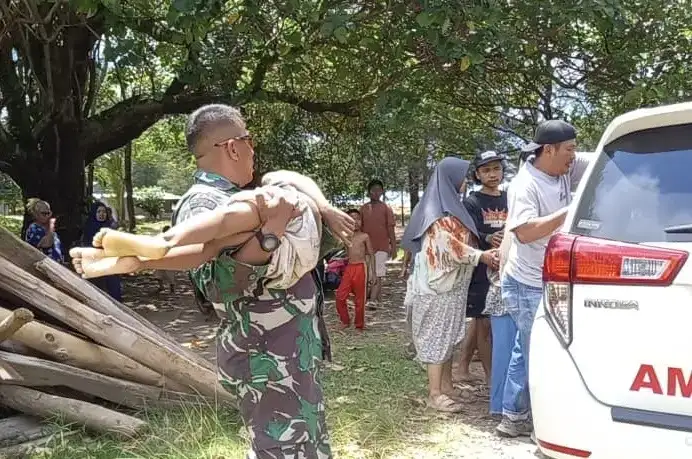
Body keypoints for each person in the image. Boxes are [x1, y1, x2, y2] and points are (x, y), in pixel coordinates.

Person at [71, 104, 352, 459]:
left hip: (287, 349)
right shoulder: (204, 202)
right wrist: (270, 234)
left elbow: (287, 180)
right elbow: (219, 285)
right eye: (249, 140)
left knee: (302, 445)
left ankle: (142, 256)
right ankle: (149, 250)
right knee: (278, 449)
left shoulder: (244, 193)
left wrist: (323, 209)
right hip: (267, 354)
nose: (253, 149)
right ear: (233, 147)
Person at [497, 120, 591, 437]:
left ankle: (514, 415)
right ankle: (537, 421)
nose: (574, 156)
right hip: (526, 284)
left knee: (527, 348)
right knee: (538, 351)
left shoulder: (563, 167)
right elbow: (524, 232)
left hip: (548, 278)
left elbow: (600, 161)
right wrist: (570, 210)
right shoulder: (525, 185)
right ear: (548, 150)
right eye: (570, 149)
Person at [401, 157, 498, 413]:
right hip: (437, 290)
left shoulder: (450, 208)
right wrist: (481, 256)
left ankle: (447, 386)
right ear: (450, 180)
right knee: (436, 339)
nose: (465, 182)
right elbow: (449, 246)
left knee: (446, 338)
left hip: (451, 288)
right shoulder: (439, 214)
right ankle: (434, 393)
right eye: (462, 177)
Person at [455, 151, 508, 386]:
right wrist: (488, 237)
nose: (492, 174)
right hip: (482, 269)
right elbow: (467, 232)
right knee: (483, 321)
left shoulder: (510, 198)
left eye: (496, 169)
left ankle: (463, 365)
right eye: (486, 170)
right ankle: (490, 377)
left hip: (507, 267)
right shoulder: (472, 202)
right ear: (477, 174)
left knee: (484, 321)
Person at [335, 209, 374, 331]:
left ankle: (359, 324)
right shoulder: (346, 237)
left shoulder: (364, 236)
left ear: (362, 221)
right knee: (340, 296)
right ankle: (345, 320)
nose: (355, 222)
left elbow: (371, 255)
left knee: (360, 299)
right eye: (352, 219)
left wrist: (372, 273)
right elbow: (346, 253)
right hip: (349, 268)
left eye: (358, 219)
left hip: (361, 267)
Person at [360, 179, 396, 306]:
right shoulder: (363, 209)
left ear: (382, 192)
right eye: (373, 190)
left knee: (378, 273)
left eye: (378, 190)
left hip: (381, 246)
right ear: (368, 192)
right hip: (366, 248)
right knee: (368, 274)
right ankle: (375, 297)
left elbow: (391, 229)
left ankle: (373, 300)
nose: (375, 193)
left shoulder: (386, 208)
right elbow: (359, 228)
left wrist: (394, 247)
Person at [82, 202, 122, 301]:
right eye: (99, 211)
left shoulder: (110, 227)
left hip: (110, 261)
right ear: (94, 213)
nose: (101, 214)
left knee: (114, 286)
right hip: (94, 260)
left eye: (103, 211)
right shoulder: (89, 227)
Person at [24, 199, 64, 263]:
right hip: (43, 265)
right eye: (44, 213)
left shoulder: (49, 229)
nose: (47, 216)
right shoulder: (34, 228)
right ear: (35, 214)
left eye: (48, 213)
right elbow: (47, 244)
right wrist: (51, 224)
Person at [154, 226, 178, 293]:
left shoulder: (173, 238)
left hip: (169, 258)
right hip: (161, 258)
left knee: (170, 274)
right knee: (158, 274)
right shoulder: (160, 238)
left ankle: (172, 288)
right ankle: (161, 287)